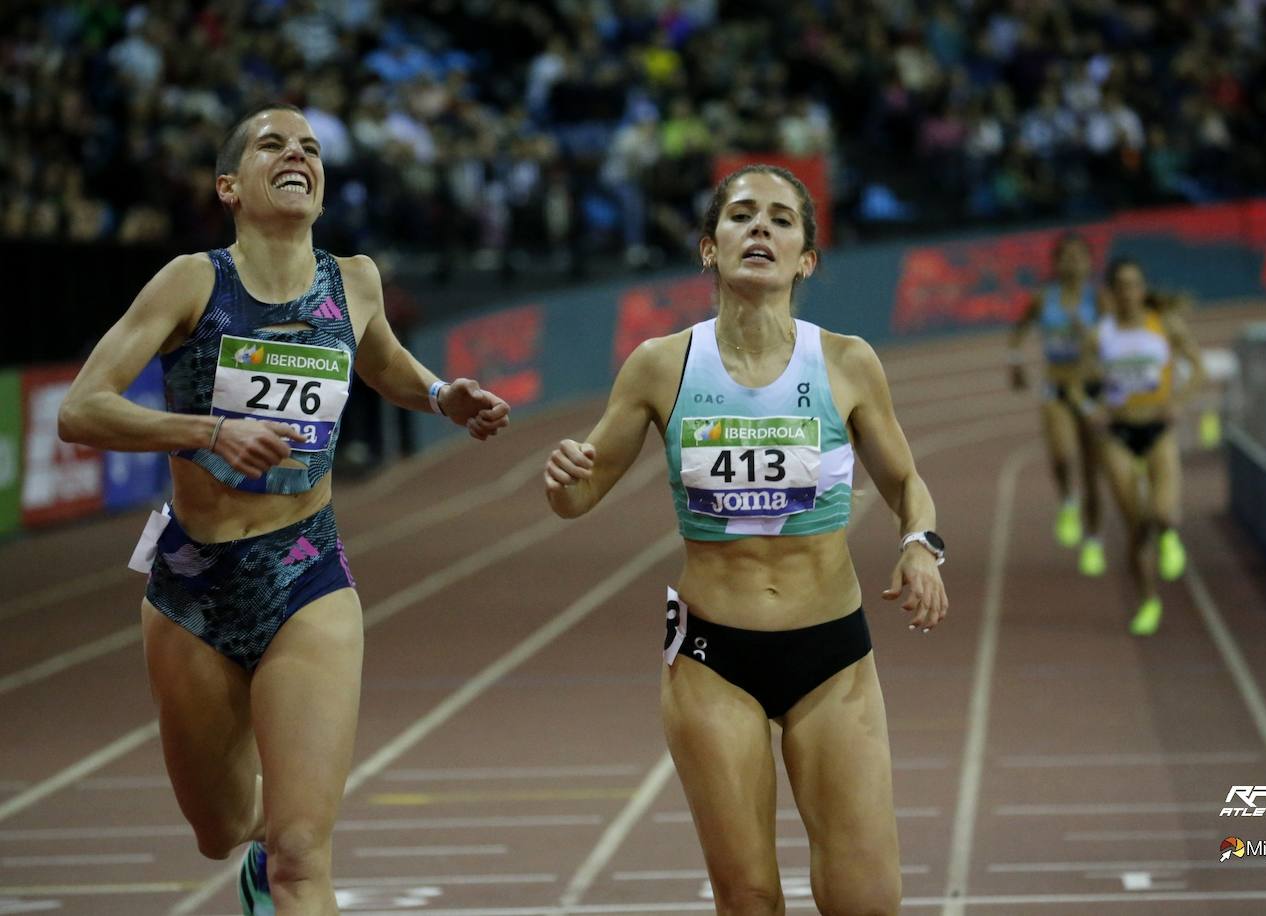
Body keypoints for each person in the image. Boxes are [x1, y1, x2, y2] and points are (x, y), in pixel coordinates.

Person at [57, 104, 510, 915]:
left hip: (306, 574)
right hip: (193, 586)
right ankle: (260, 853)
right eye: (274, 144)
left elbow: (385, 364)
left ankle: (290, 848)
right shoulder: (194, 282)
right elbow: (81, 409)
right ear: (230, 185)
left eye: (309, 147)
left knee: (304, 852)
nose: (296, 153)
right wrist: (209, 431)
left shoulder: (355, 280)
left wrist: (441, 394)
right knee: (221, 824)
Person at [543, 164, 947, 915]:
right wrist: (564, 473)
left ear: (806, 260)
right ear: (708, 247)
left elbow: (906, 484)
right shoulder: (662, 365)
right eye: (741, 215)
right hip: (712, 660)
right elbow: (579, 495)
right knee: (750, 898)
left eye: (781, 219)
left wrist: (921, 542)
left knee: (867, 900)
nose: (759, 227)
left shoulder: (847, 362)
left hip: (832, 657)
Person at [1078, 257, 1205, 636]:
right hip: (1117, 434)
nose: (1129, 293)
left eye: (1135, 285)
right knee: (1136, 525)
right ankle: (1148, 600)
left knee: (1163, 514)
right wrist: (1091, 410)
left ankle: (1168, 537)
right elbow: (1079, 384)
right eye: (1121, 286)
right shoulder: (1099, 335)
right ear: (1112, 293)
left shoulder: (1164, 325)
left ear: (1143, 289)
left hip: (1157, 430)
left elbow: (1197, 367)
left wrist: (1178, 402)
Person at [1007, 232, 1106, 576]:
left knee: (1093, 473)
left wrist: (1091, 337)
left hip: (1092, 389)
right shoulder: (1043, 299)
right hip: (1057, 388)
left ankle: (1093, 540)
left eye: (1080, 257)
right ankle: (1067, 500)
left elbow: (1114, 340)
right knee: (1062, 456)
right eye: (1066, 257)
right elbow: (1018, 331)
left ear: (1090, 262)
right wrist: (1016, 361)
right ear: (1056, 262)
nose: (1073, 263)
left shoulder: (1100, 299)